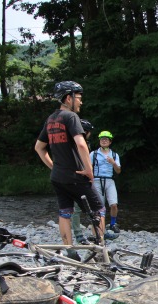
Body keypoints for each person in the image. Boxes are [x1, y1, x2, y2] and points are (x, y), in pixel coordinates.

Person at [34, 81, 104, 256]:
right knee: (99, 210)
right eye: (78, 98)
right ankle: (99, 250)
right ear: (68, 98)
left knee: (65, 211)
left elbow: (39, 147)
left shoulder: (51, 119)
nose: (81, 102)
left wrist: (54, 167)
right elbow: (81, 144)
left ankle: (70, 251)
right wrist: (89, 170)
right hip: (77, 176)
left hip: (58, 177)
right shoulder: (71, 117)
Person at [91, 130, 122, 233]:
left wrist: (113, 163)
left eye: (106, 139)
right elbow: (88, 166)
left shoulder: (114, 155)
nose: (104, 141)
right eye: (102, 139)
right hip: (96, 180)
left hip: (109, 180)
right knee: (99, 206)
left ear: (110, 141)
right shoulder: (94, 154)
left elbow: (118, 171)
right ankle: (100, 226)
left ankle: (113, 224)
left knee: (113, 204)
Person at [71, 119, 96, 244]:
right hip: (77, 177)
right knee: (77, 208)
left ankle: (96, 232)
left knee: (92, 204)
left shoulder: (86, 143)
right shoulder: (77, 143)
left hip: (83, 176)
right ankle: (78, 234)